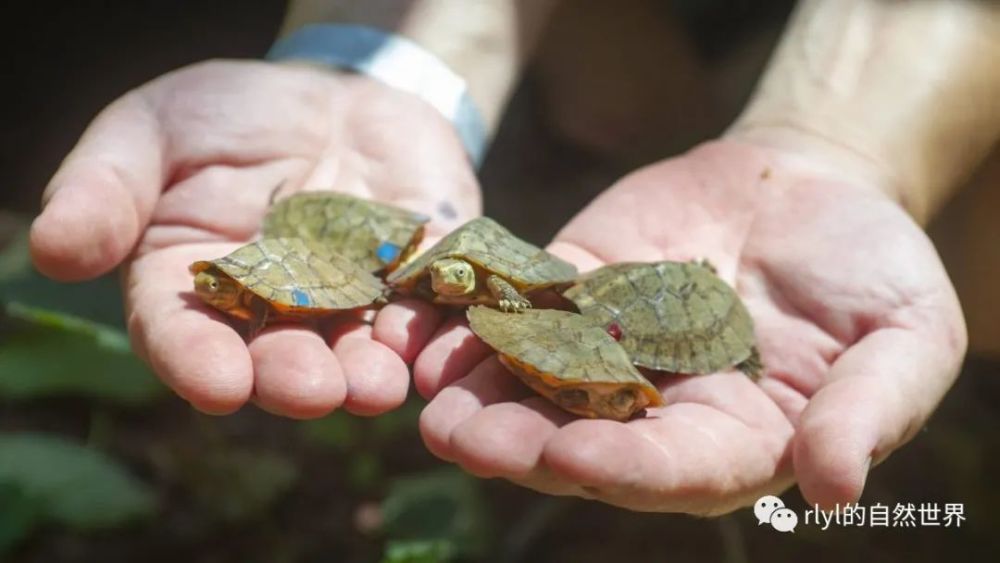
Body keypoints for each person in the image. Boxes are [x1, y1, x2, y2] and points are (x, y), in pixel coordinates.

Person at [28, 0, 999, 514]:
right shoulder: (472, 288)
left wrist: (839, 148)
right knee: (616, 97)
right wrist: (378, 56)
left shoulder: (537, 303)